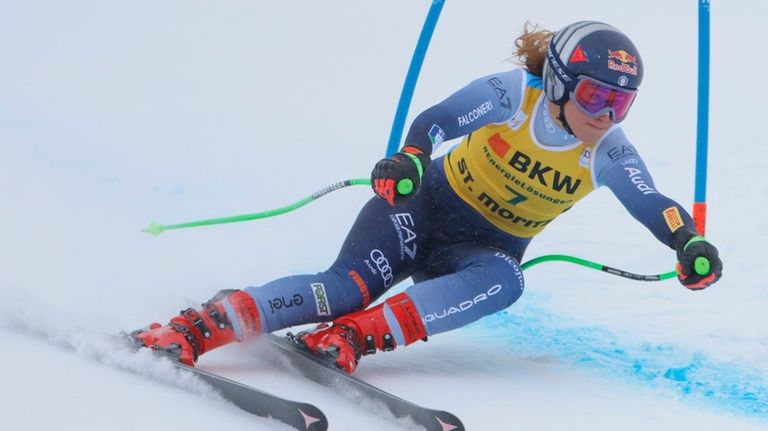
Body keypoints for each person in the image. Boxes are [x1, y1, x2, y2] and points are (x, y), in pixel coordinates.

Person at [131, 21, 723, 373]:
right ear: (562, 82)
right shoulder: (515, 94)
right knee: (341, 288)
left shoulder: (609, 151)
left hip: (483, 252)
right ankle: (199, 326)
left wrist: (687, 241)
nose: (607, 115)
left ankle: (354, 337)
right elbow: (437, 121)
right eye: (597, 97)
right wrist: (410, 158)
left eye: (622, 103)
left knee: (507, 283)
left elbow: (652, 202)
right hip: (422, 210)